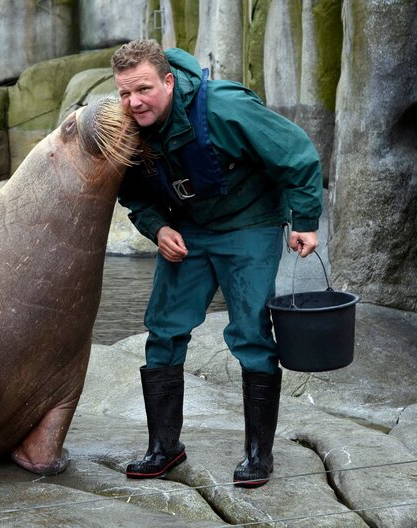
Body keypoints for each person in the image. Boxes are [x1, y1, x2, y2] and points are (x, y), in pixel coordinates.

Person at [111, 39, 323, 488]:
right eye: (125, 94)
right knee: (164, 329)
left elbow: (297, 152)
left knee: (249, 330)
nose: (134, 102)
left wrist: (304, 219)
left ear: (168, 81)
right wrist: (157, 229)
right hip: (188, 230)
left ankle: (257, 456)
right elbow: (130, 191)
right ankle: (164, 448)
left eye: (144, 89)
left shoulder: (223, 108)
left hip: (249, 223)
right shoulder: (127, 125)